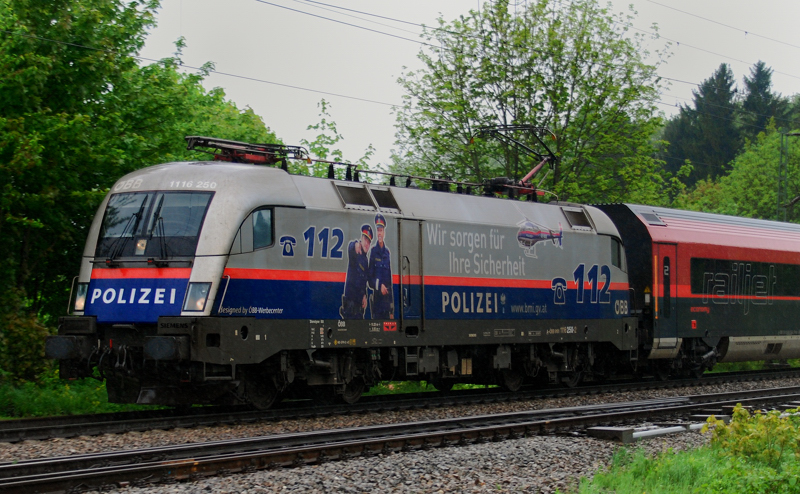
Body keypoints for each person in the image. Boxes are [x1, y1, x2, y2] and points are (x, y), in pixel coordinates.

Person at [340, 224, 373, 319]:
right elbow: (350, 247)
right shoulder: (355, 251)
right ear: (361, 238)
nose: (367, 243)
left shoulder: (366, 261)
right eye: (365, 239)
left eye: (369, 242)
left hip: (359, 311)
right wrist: (355, 244)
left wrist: (364, 296)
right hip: (350, 309)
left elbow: (363, 282)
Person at [369, 213, 394, 319]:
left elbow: (390, 280)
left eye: (381, 230)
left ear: (384, 233)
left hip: (386, 305)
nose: (379, 233)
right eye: (378, 230)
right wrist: (379, 287)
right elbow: (370, 278)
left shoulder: (387, 253)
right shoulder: (373, 252)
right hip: (377, 304)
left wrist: (392, 309)